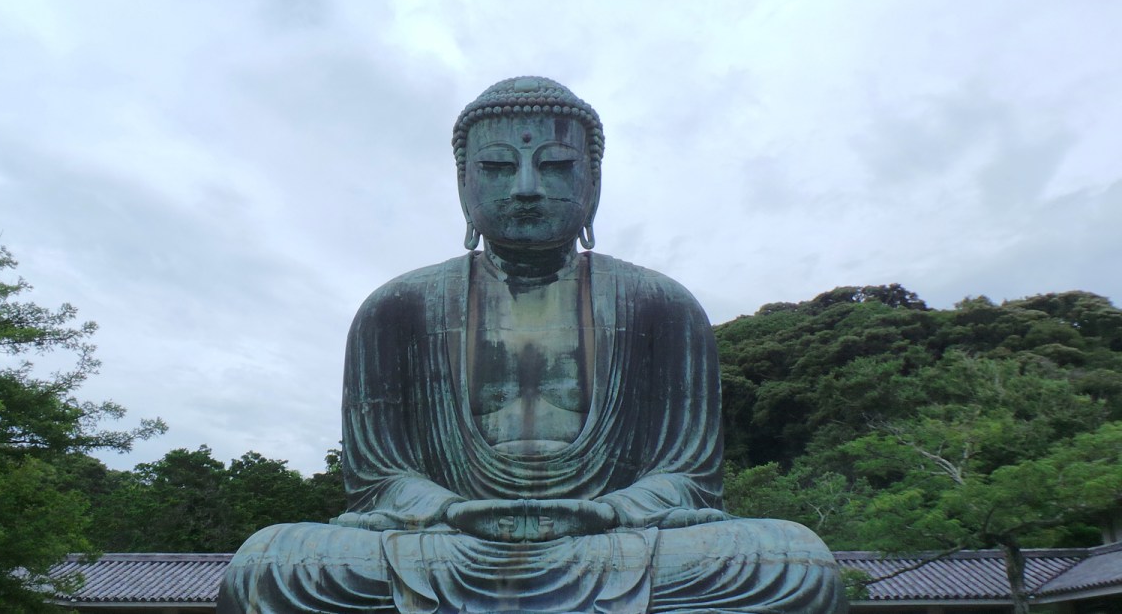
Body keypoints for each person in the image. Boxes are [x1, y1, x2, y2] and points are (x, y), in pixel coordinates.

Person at [217, 76, 847, 614]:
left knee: (793, 561)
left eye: (555, 166)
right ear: (463, 184)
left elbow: (687, 478)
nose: (524, 187)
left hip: (614, 541)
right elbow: (380, 480)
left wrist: (607, 512)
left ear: (593, 182)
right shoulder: (398, 307)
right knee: (269, 563)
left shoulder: (661, 305)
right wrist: (452, 511)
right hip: (447, 543)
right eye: (496, 168)